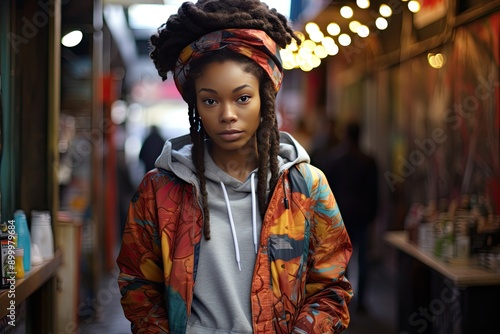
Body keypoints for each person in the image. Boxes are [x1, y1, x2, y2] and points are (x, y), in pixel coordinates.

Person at [117, 1, 353, 333]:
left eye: (242, 97)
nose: (227, 114)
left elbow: (331, 287)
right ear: (195, 104)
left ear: (265, 97)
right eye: (210, 100)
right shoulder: (160, 191)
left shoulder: (306, 187)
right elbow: (138, 284)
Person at [323, 121, 378, 314]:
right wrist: (372, 216)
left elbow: (326, 192)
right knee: (362, 261)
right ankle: (361, 302)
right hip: (362, 217)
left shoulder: (334, 159)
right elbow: (375, 193)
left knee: (341, 262)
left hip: (340, 216)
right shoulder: (368, 160)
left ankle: (341, 300)